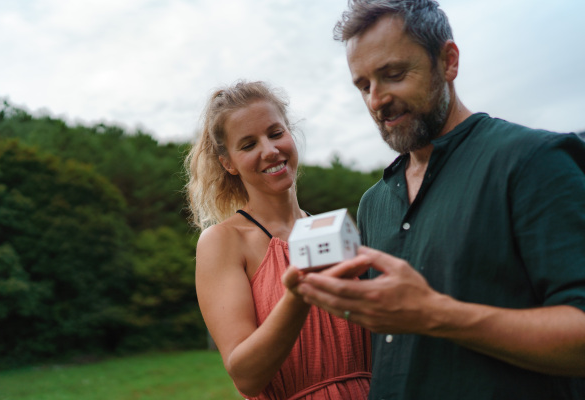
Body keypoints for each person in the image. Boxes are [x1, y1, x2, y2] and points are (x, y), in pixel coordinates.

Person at [287, 1, 585, 399]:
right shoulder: (373, 203)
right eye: (363, 86)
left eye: (393, 75)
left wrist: (435, 315)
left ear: (448, 62)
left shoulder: (534, 160)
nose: (376, 100)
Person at [185, 80, 371, 399]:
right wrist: (298, 294)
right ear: (227, 163)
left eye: (275, 133)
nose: (270, 151)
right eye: (248, 145)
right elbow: (246, 376)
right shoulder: (222, 241)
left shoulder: (330, 232)